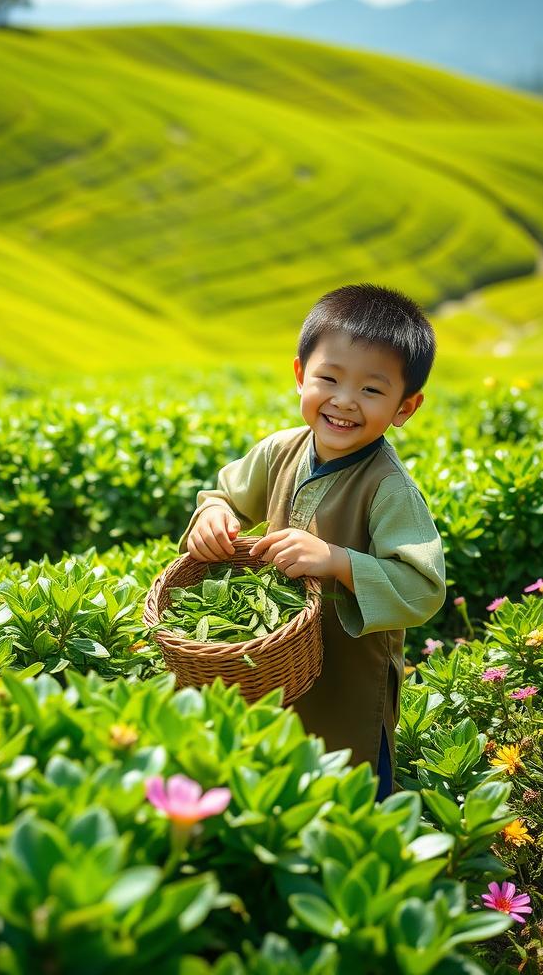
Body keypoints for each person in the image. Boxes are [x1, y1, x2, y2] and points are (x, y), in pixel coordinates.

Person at [177, 283, 447, 802]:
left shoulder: (388, 487)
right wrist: (213, 515)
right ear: (300, 375)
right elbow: (225, 495)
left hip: (349, 671)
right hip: (271, 655)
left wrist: (337, 561)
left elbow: (423, 586)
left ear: (405, 407)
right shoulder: (280, 449)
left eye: (372, 390)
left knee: (349, 776)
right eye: (329, 378)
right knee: (272, 768)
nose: (345, 402)